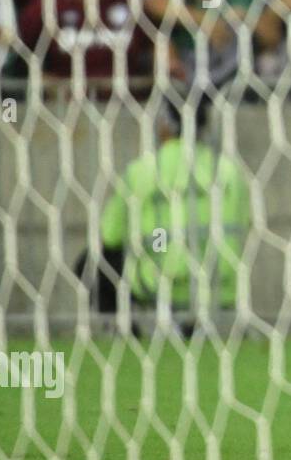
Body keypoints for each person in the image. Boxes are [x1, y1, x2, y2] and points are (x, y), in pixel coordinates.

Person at [92, 95, 250, 329]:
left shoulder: (142, 169)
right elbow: (244, 223)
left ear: (164, 124)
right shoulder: (229, 170)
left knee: (93, 260)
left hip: (157, 280)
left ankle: (127, 336)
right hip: (220, 285)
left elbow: (110, 235)